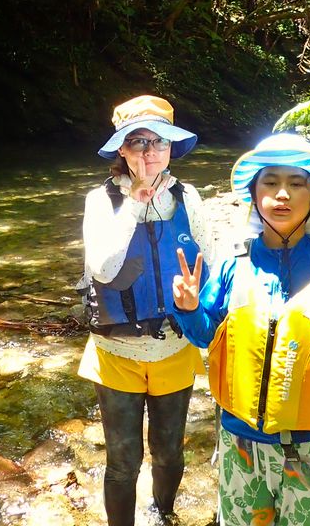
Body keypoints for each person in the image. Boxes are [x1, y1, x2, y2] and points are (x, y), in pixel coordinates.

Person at [172, 132, 310, 526]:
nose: (283, 195)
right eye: (271, 182)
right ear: (254, 194)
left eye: (296, 184)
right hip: (240, 445)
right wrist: (189, 309)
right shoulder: (234, 264)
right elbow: (206, 337)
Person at [77, 95, 212, 525]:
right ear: (122, 149)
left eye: (159, 141)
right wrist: (136, 202)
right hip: (117, 354)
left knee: (170, 450)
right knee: (122, 461)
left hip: (175, 346)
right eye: (138, 142)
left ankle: (165, 514)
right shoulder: (101, 202)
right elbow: (103, 267)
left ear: (171, 147)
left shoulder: (189, 198)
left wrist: (203, 310)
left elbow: (213, 262)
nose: (150, 152)